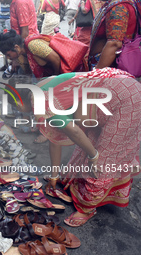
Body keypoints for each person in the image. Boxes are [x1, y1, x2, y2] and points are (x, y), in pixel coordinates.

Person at [18, 68, 141, 227]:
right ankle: (75, 182)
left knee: (104, 157)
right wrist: (54, 176)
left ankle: (87, 208)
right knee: (88, 142)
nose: (18, 113)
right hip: (112, 84)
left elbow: (74, 131)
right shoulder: (40, 85)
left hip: (127, 101)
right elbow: (54, 138)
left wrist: (93, 156)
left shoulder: (40, 103)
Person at [88, 0, 138, 70]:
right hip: (106, 66)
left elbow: (115, 44)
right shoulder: (117, 4)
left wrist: (97, 72)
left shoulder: (119, 7)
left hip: (108, 68)